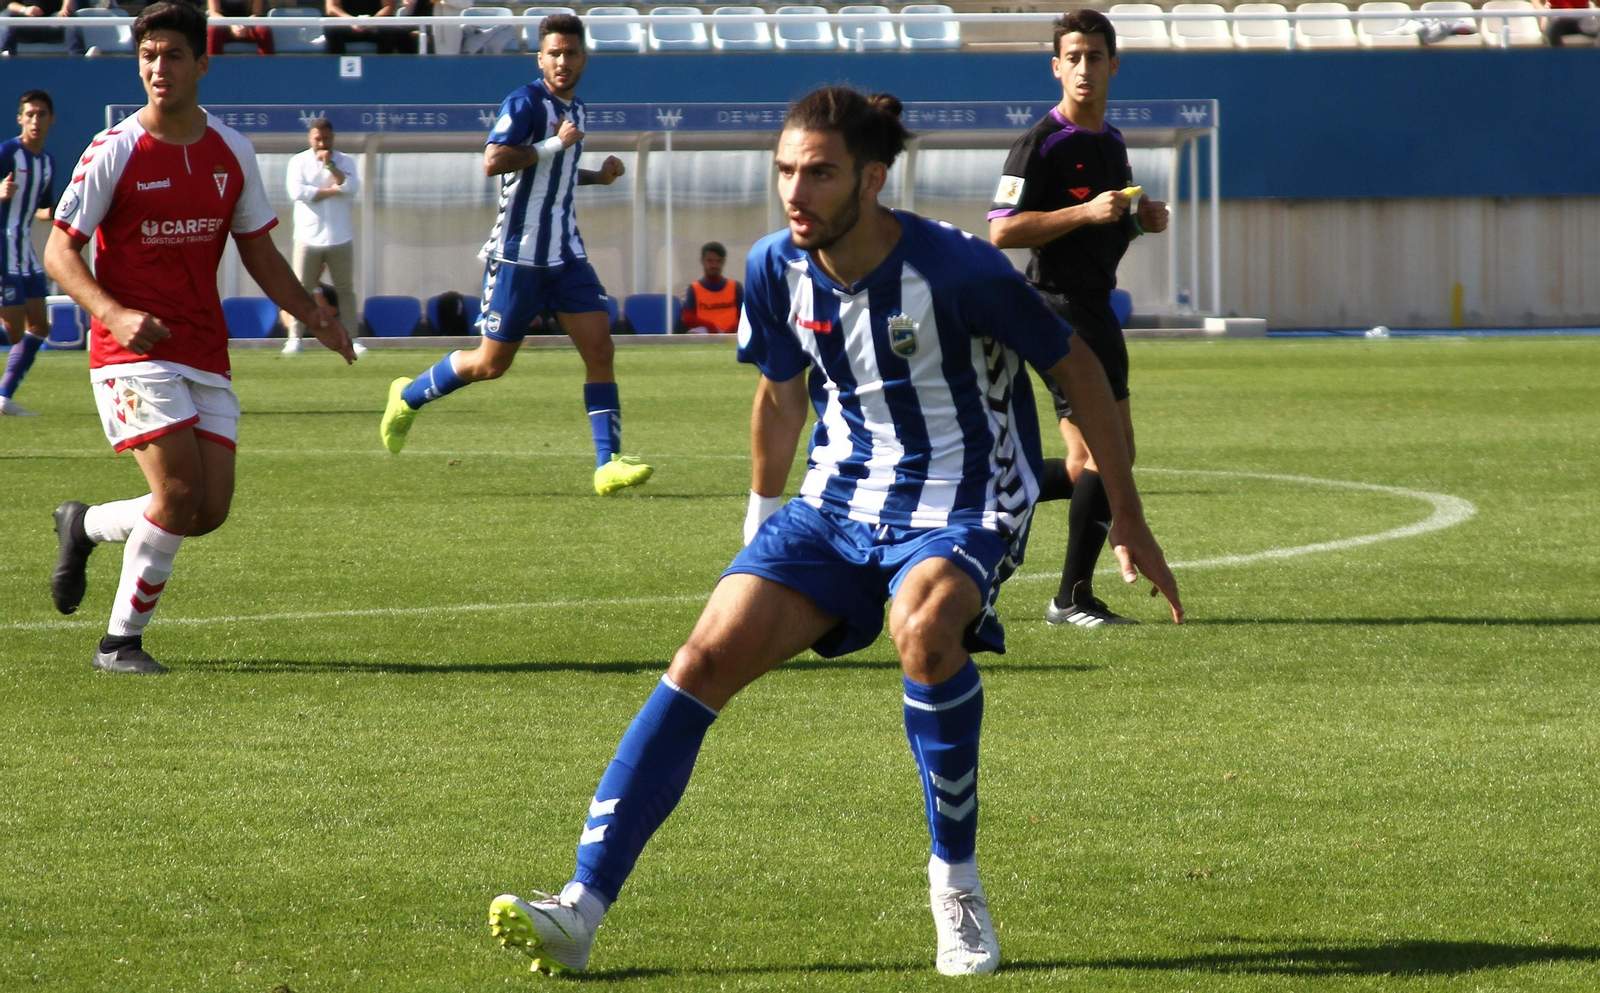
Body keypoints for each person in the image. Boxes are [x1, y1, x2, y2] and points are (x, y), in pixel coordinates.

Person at [484, 86, 1183, 979]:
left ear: (873, 178)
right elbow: (780, 395)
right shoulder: (775, 266)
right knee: (700, 659)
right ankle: (579, 909)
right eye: (785, 171)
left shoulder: (962, 272)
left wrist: (1126, 511)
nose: (795, 191)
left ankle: (956, 886)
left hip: (964, 501)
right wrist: (759, 519)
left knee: (925, 631)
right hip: (835, 505)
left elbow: (1076, 364)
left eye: (818, 172)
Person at [44, 1, 354, 675]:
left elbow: (263, 255)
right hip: (129, 352)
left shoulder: (230, 151)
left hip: (202, 350)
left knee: (205, 510)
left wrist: (314, 314)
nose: (159, 68)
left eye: (173, 55)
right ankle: (118, 643)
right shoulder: (115, 149)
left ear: (202, 64)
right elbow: (60, 254)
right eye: (148, 56)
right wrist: (114, 313)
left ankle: (85, 524)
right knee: (178, 494)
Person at [379, 14, 652, 497]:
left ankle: (607, 464)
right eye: (555, 53)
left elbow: (556, 172)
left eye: (571, 52)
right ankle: (407, 397)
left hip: (566, 255)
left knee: (600, 348)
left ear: (584, 58)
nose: (563, 61)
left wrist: (597, 175)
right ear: (540, 58)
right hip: (517, 256)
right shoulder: (526, 102)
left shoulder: (578, 109)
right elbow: (495, 160)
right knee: (490, 364)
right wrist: (553, 143)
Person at [988, 9, 1170, 629]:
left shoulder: (1111, 142)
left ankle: (992, 485)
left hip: (1095, 304)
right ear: (1056, 66)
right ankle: (1072, 596)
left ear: (1113, 64)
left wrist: (1138, 220)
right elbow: (1001, 230)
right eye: (1074, 57)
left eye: (1096, 56)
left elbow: (1106, 222)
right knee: (1106, 456)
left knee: (1085, 465)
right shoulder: (1041, 143)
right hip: (1056, 304)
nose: (1085, 68)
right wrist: (1086, 213)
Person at [282, 118, 363, 355]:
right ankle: (295, 338)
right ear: (310, 138)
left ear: (332, 138)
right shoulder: (298, 161)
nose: (321, 142)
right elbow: (298, 192)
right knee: (302, 288)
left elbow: (351, 187)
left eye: (326, 138)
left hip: (340, 237)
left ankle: (353, 339)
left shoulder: (345, 160)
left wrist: (331, 167)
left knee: (345, 289)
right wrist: (333, 191)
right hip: (308, 237)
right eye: (317, 138)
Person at [0, 90, 56, 416]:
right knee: (14, 331)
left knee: (39, 326)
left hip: (24, 249)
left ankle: (4, 397)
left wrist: (65, 214)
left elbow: (41, 210)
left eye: (41, 114)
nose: (36, 120)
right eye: (30, 114)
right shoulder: (8, 153)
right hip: (2, 246)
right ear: (20, 118)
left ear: (52, 119)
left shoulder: (47, 163)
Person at [674, 240, 743, 333]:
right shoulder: (693, 289)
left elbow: (746, 315)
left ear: (723, 262)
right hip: (705, 340)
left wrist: (732, 330)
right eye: (710, 261)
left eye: (718, 261)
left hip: (732, 339)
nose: (714, 265)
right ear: (702, 261)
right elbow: (687, 318)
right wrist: (709, 327)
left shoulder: (736, 287)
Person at [324, 0, 416, 54]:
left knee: (393, 32)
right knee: (331, 30)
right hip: (348, 24)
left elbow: (388, 7)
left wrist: (372, 21)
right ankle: (337, 69)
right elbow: (331, 8)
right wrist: (352, 21)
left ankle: (383, 68)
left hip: (375, 25)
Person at [0, 0, 85, 57]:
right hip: (25, 26)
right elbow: (7, 2)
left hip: (54, 25)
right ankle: (7, 54)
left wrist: (66, 8)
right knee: (7, 16)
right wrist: (25, 9)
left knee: (70, 18)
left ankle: (78, 56)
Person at [206, 0, 275, 55]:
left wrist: (245, 26)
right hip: (224, 26)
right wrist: (231, 26)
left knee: (263, 30)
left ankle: (266, 66)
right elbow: (214, 13)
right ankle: (213, 67)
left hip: (248, 27)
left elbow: (256, 13)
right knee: (213, 30)